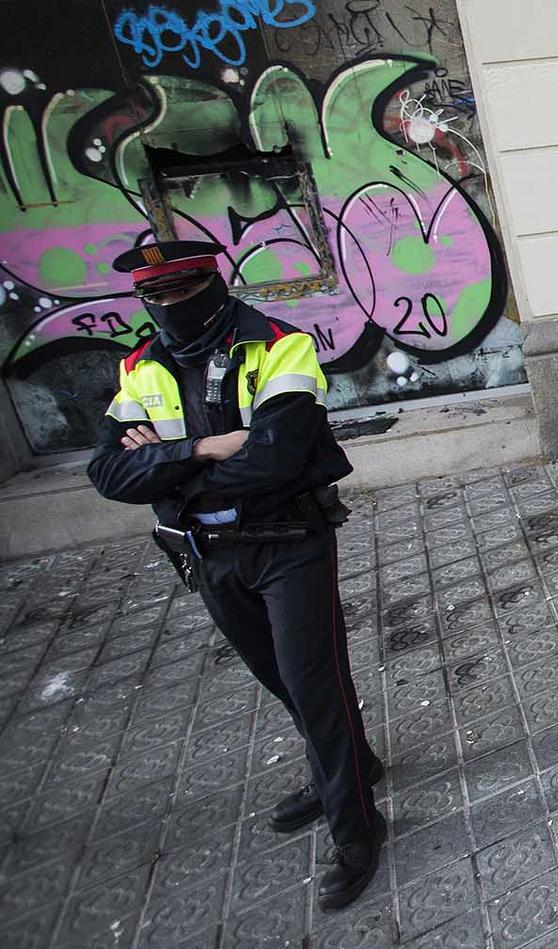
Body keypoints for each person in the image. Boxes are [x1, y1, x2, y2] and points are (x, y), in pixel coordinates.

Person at [86, 242, 383, 911]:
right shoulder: (140, 367)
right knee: (281, 680)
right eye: (156, 298)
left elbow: (276, 459)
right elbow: (107, 472)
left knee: (316, 687)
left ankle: (357, 825)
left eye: (181, 293)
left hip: (289, 542)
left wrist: (164, 468)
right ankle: (352, 768)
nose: (170, 309)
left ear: (212, 285)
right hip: (207, 552)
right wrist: (202, 447)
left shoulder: (279, 346)